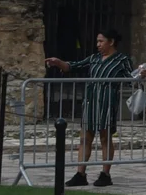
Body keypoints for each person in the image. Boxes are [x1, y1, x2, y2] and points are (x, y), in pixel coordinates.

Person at [47, 29, 134, 186]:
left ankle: (105, 174)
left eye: (101, 41)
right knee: (85, 138)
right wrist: (59, 63)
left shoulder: (121, 60)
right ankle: (80, 174)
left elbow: (131, 78)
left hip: (107, 103)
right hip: (90, 102)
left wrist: (140, 76)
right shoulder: (94, 58)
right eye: (97, 41)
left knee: (105, 138)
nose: (98, 45)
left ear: (111, 42)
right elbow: (74, 66)